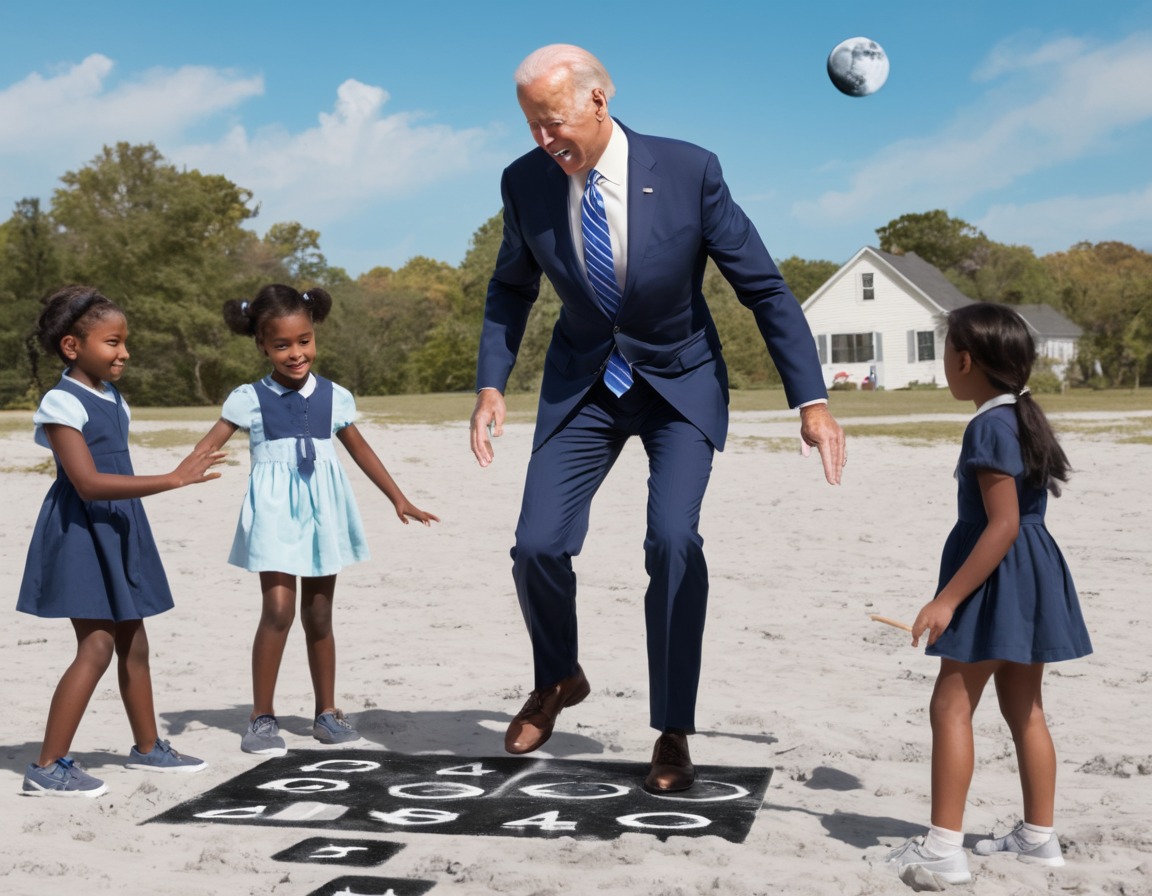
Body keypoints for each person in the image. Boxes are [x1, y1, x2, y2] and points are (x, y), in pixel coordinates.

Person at [469, 44, 846, 792]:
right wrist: (491, 384)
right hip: (585, 385)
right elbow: (510, 288)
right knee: (536, 545)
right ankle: (558, 677)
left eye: (553, 123)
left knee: (673, 540)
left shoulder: (688, 171)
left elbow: (764, 290)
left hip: (679, 381)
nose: (543, 142)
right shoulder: (525, 182)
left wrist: (812, 400)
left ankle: (672, 728)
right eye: (531, 127)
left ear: (597, 102)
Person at [885, 303, 1092, 884]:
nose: (945, 364)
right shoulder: (1020, 416)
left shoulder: (988, 425)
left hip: (996, 576)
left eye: (946, 353)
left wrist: (946, 599)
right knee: (1025, 709)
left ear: (966, 360)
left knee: (950, 705)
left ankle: (943, 849)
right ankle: (1037, 838)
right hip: (1030, 573)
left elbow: (1000, 524)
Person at [193, 284, 438, 756]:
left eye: (303, 340)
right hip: (275, 514)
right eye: (281, 344)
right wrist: (179, 474)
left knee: (320, 614)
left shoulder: (335, 395)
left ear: (314, 335)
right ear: (262, 345)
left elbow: (359, 448)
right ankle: (261, 719)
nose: (295, 353)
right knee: (279, 611)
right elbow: (210, 443)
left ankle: (326, 714)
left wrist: (398, 497)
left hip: (324, 511)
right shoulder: (248, 398)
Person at [18, 286, 225, 797]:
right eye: (113, 342)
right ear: (72, 346)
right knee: (97, 644)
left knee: (134, 641)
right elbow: (86, 482)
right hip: (80, 531)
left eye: (125, 342)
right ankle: (48, 766)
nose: (124, 353)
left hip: (118, 525)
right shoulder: (61, 400)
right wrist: (172, 479)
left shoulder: (112, 396)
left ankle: (148, 747)